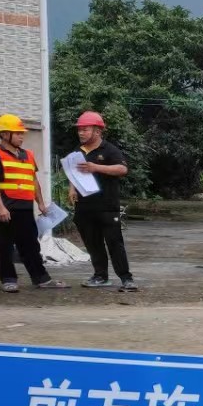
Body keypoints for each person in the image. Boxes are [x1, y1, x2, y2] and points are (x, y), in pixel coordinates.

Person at [0, 113, 65, 293]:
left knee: (31, 245)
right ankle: (8, 279)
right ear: (5, 134)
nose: (22, 136)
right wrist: (0, 207)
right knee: (5, 245)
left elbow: (33, 181)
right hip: (7, 209)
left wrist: (41, 203)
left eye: (22, 133)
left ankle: (41, 279)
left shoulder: (28, 155)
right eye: (18, 133)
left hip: (26, 208)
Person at [70, 111, 138, 291]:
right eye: (79, 130)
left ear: (98, 131)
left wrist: (96, 167)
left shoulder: (109, 150)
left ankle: (126, 279)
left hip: (107, 206)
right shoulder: (78, 151)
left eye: (85, 129)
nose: (81, 133)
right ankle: (100, 276)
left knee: (114, 243)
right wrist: (72, 189)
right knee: (93, 244)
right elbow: (73, 171)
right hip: (85, 206)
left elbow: (122, 169)